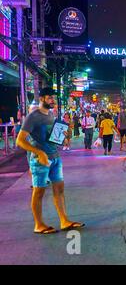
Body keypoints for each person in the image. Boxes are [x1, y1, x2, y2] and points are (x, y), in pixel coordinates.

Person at [16, 87, 85, 234]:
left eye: (54, 98)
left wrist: (63, 137)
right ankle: (38, 224)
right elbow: (20, 141)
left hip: (55, 158)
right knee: (39, 192)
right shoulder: (33, 116)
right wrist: (39, 152)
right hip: (40, 160)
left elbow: (51, 137)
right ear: (42, 99)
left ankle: (64, 221)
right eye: (50, 98)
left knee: (59, 190)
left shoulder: (51, 115)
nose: (53, 100)